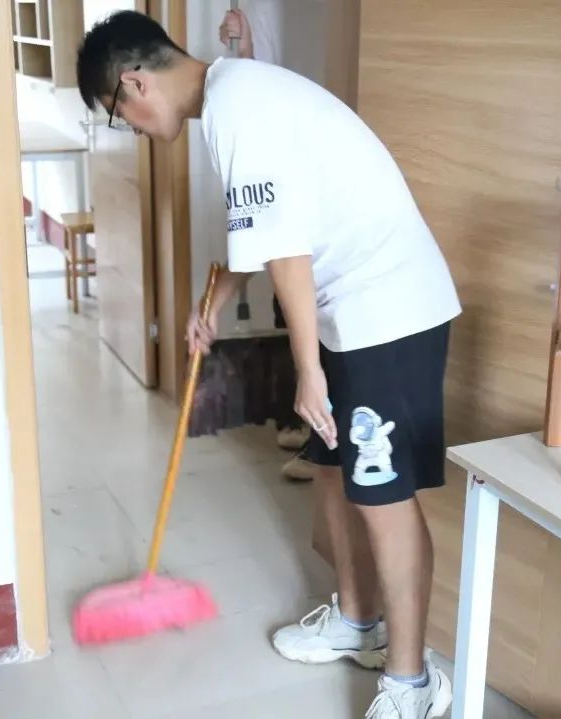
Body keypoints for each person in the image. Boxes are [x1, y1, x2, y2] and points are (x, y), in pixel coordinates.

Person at [77, 11, 461, 719]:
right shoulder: (234, 97)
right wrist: (216, 305)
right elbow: (262, 229)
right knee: (331, 470)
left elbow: (286, 249)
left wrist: (306, 370)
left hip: (389, 311)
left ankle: (413, 682)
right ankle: (356, 621)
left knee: (381, 492)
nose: (129, 127)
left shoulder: (238, 109)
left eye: (116, 113)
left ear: (134, 82)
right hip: (348, 309)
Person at [219, 3, 315, 481]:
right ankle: (307, 424)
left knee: (314, 320)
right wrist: (246, 46)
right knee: (289, 310)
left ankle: (321, 441)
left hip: (306, 172)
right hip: (283, 165)